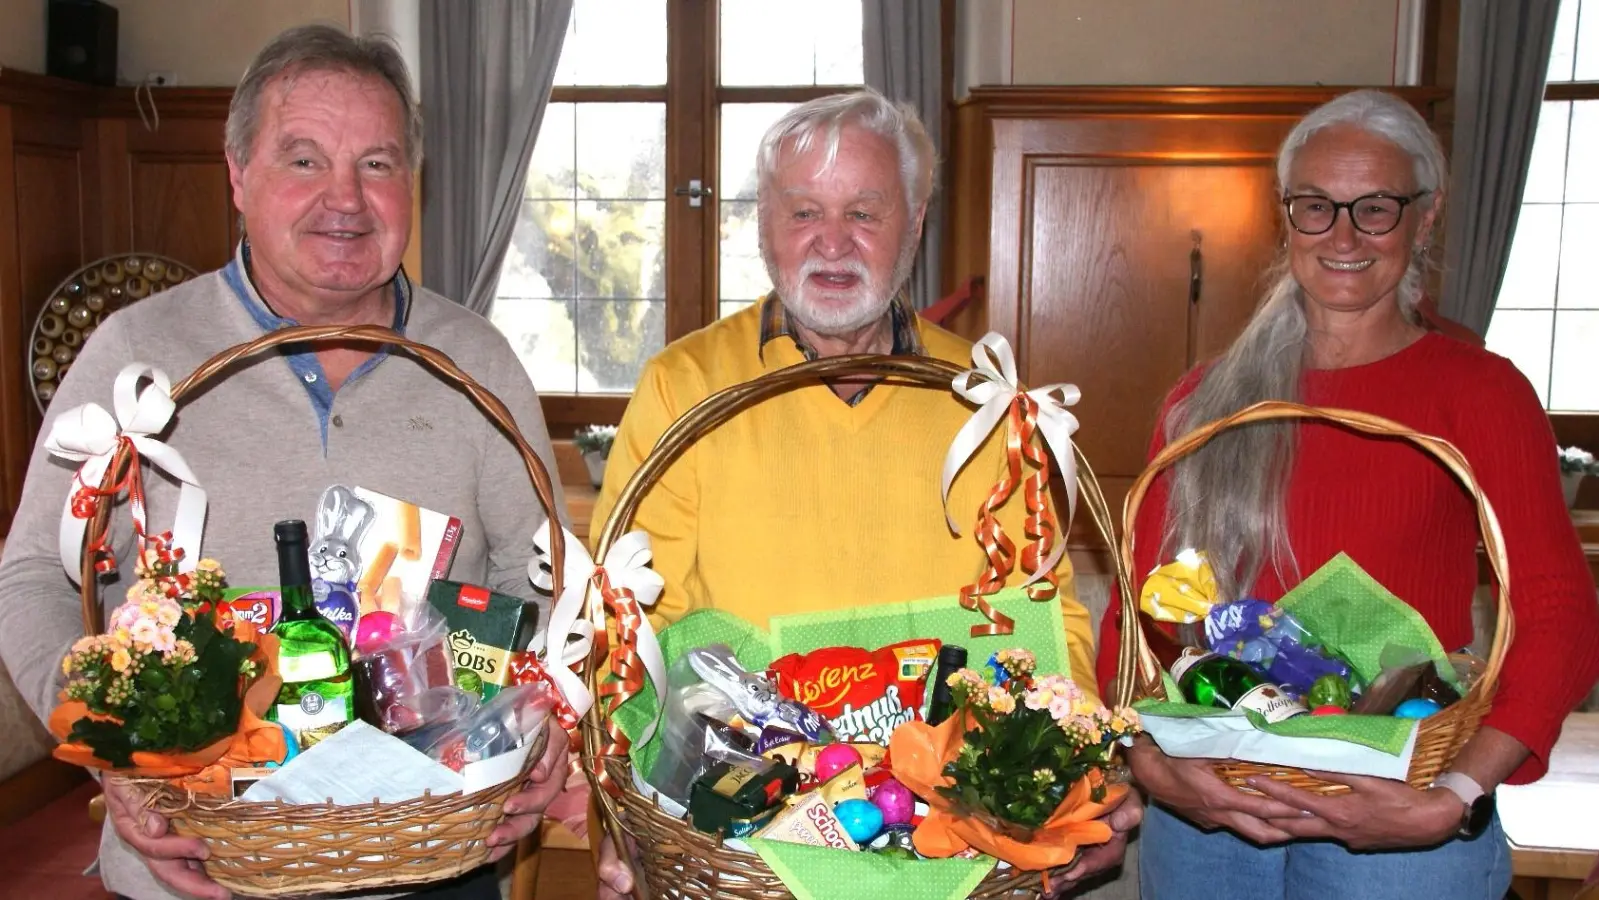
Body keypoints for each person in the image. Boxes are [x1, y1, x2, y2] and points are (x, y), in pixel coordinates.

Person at [0, 25, 571, 900]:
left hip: (427, 860)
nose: (344, 199)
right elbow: (36, 572)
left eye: (377, 165)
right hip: (193, 866)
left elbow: (539, 581)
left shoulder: (477, 358)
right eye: (303, 160)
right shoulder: (138, 353)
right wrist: (108, 742)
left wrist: (540, 723)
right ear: (237, 176)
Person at [586, 89, 1138, 898]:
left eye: (865, 214)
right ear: (764, 224)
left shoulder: (983, 393)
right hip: (740, 838)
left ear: (914, 223)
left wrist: (1071, 772)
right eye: (803, 211)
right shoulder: (685, 385)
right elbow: (623, 624)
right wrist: (624, 815)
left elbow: (1041, 609)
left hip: (947, 831)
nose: (832, 243)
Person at [1095, 88, 1599, 899]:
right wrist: (1147, 761)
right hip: (1207, 821)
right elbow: (1135, 610)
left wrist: (1454, 797)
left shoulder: (1478, 393)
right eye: (1315, 207)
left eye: (1374, 209)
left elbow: (1559, 610)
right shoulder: (1205, 398)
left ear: (1423, 220)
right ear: (1283, 217)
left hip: (1398, 826)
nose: (1342, 236)